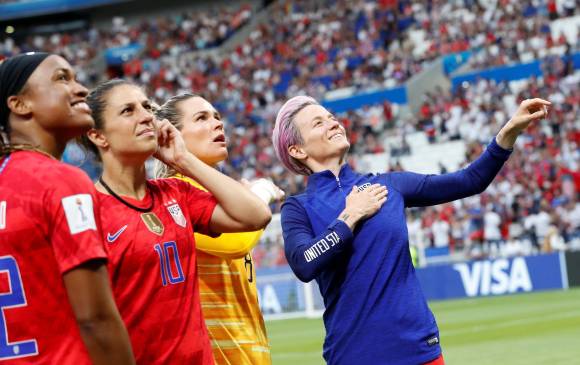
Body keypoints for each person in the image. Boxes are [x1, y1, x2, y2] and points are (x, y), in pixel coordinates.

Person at [272, 95, 550, 365]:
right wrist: (349, 217)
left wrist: (509, 132)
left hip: (419, 349)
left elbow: (470, 180)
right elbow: (304, 263)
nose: (333, 123)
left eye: (332, 118)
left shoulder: (387, 185)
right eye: (318, 123)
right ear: (297, 150)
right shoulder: (299, 208)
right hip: (353, 355)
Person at [81, 80, 272, 364]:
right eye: (128, 111)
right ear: (98, 136)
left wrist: (183, 158)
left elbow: (257, 216)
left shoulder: (176, 193)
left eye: (146, 106)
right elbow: (91, 321)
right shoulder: (89, 212)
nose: (146, 115)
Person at [0, 53, 134, 364]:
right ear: (19, 104)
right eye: (62, 78)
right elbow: (95, 319)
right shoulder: (60, 181)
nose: (82, 89)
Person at [155, 93, 283, 365]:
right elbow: (236, 243)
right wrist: (262, 193)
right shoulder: (174, 199)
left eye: (217, 117)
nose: (217, 124)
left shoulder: (223, 196)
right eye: (202, 118)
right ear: (172, 135)